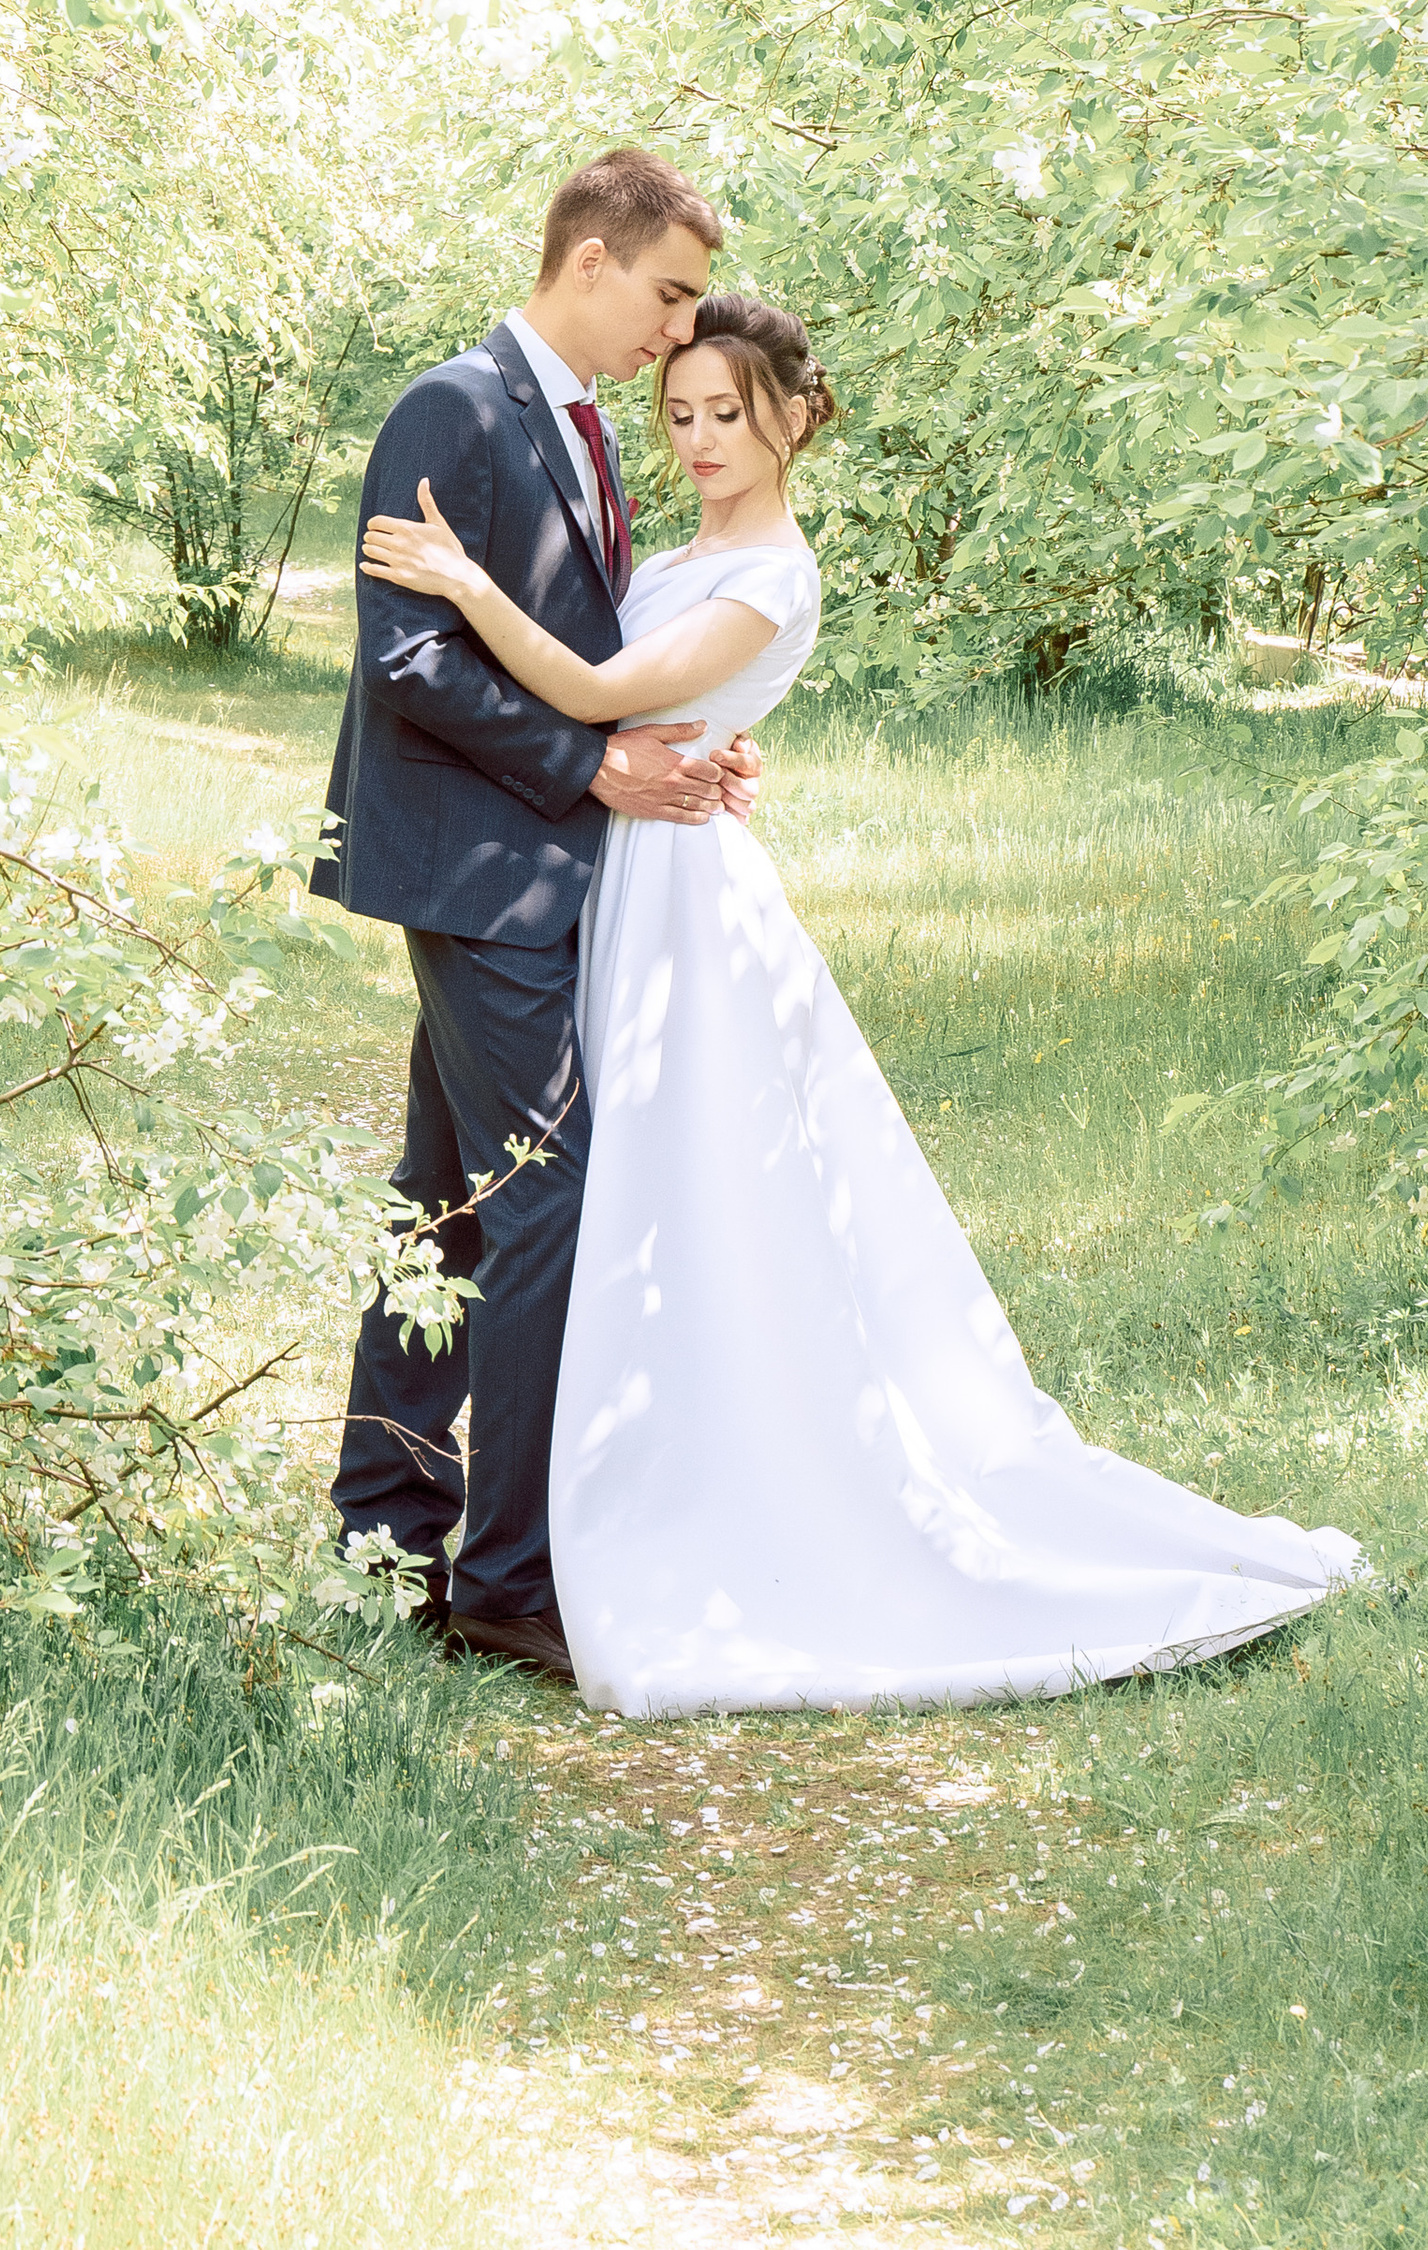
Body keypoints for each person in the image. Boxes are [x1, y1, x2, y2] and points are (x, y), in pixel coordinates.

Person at [359, 288, 1362, 1717]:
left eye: (733, 413)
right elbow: (626, 702)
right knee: (527, 1189)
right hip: (610, 877)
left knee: (640, 1197)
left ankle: (577, 1534)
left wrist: (465, 584)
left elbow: (591, 681)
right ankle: (451, 1518)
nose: (701, 437)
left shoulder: (772, 571)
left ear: (799, 417)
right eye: (685, 410)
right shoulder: (690, 542)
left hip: (677, 901)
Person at [317, 147, 759, 1681]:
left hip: (540, 874)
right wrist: (592, 766)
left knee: (439, 1204)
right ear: (591, 261)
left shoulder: (577, 426)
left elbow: (599, 643)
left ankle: (384, 1531)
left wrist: (673, 748)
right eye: (670, 290)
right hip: (475, 875)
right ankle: (507, 1576)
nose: (677, 326)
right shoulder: (453, 407)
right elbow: (410, 663)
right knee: (544, 1200)